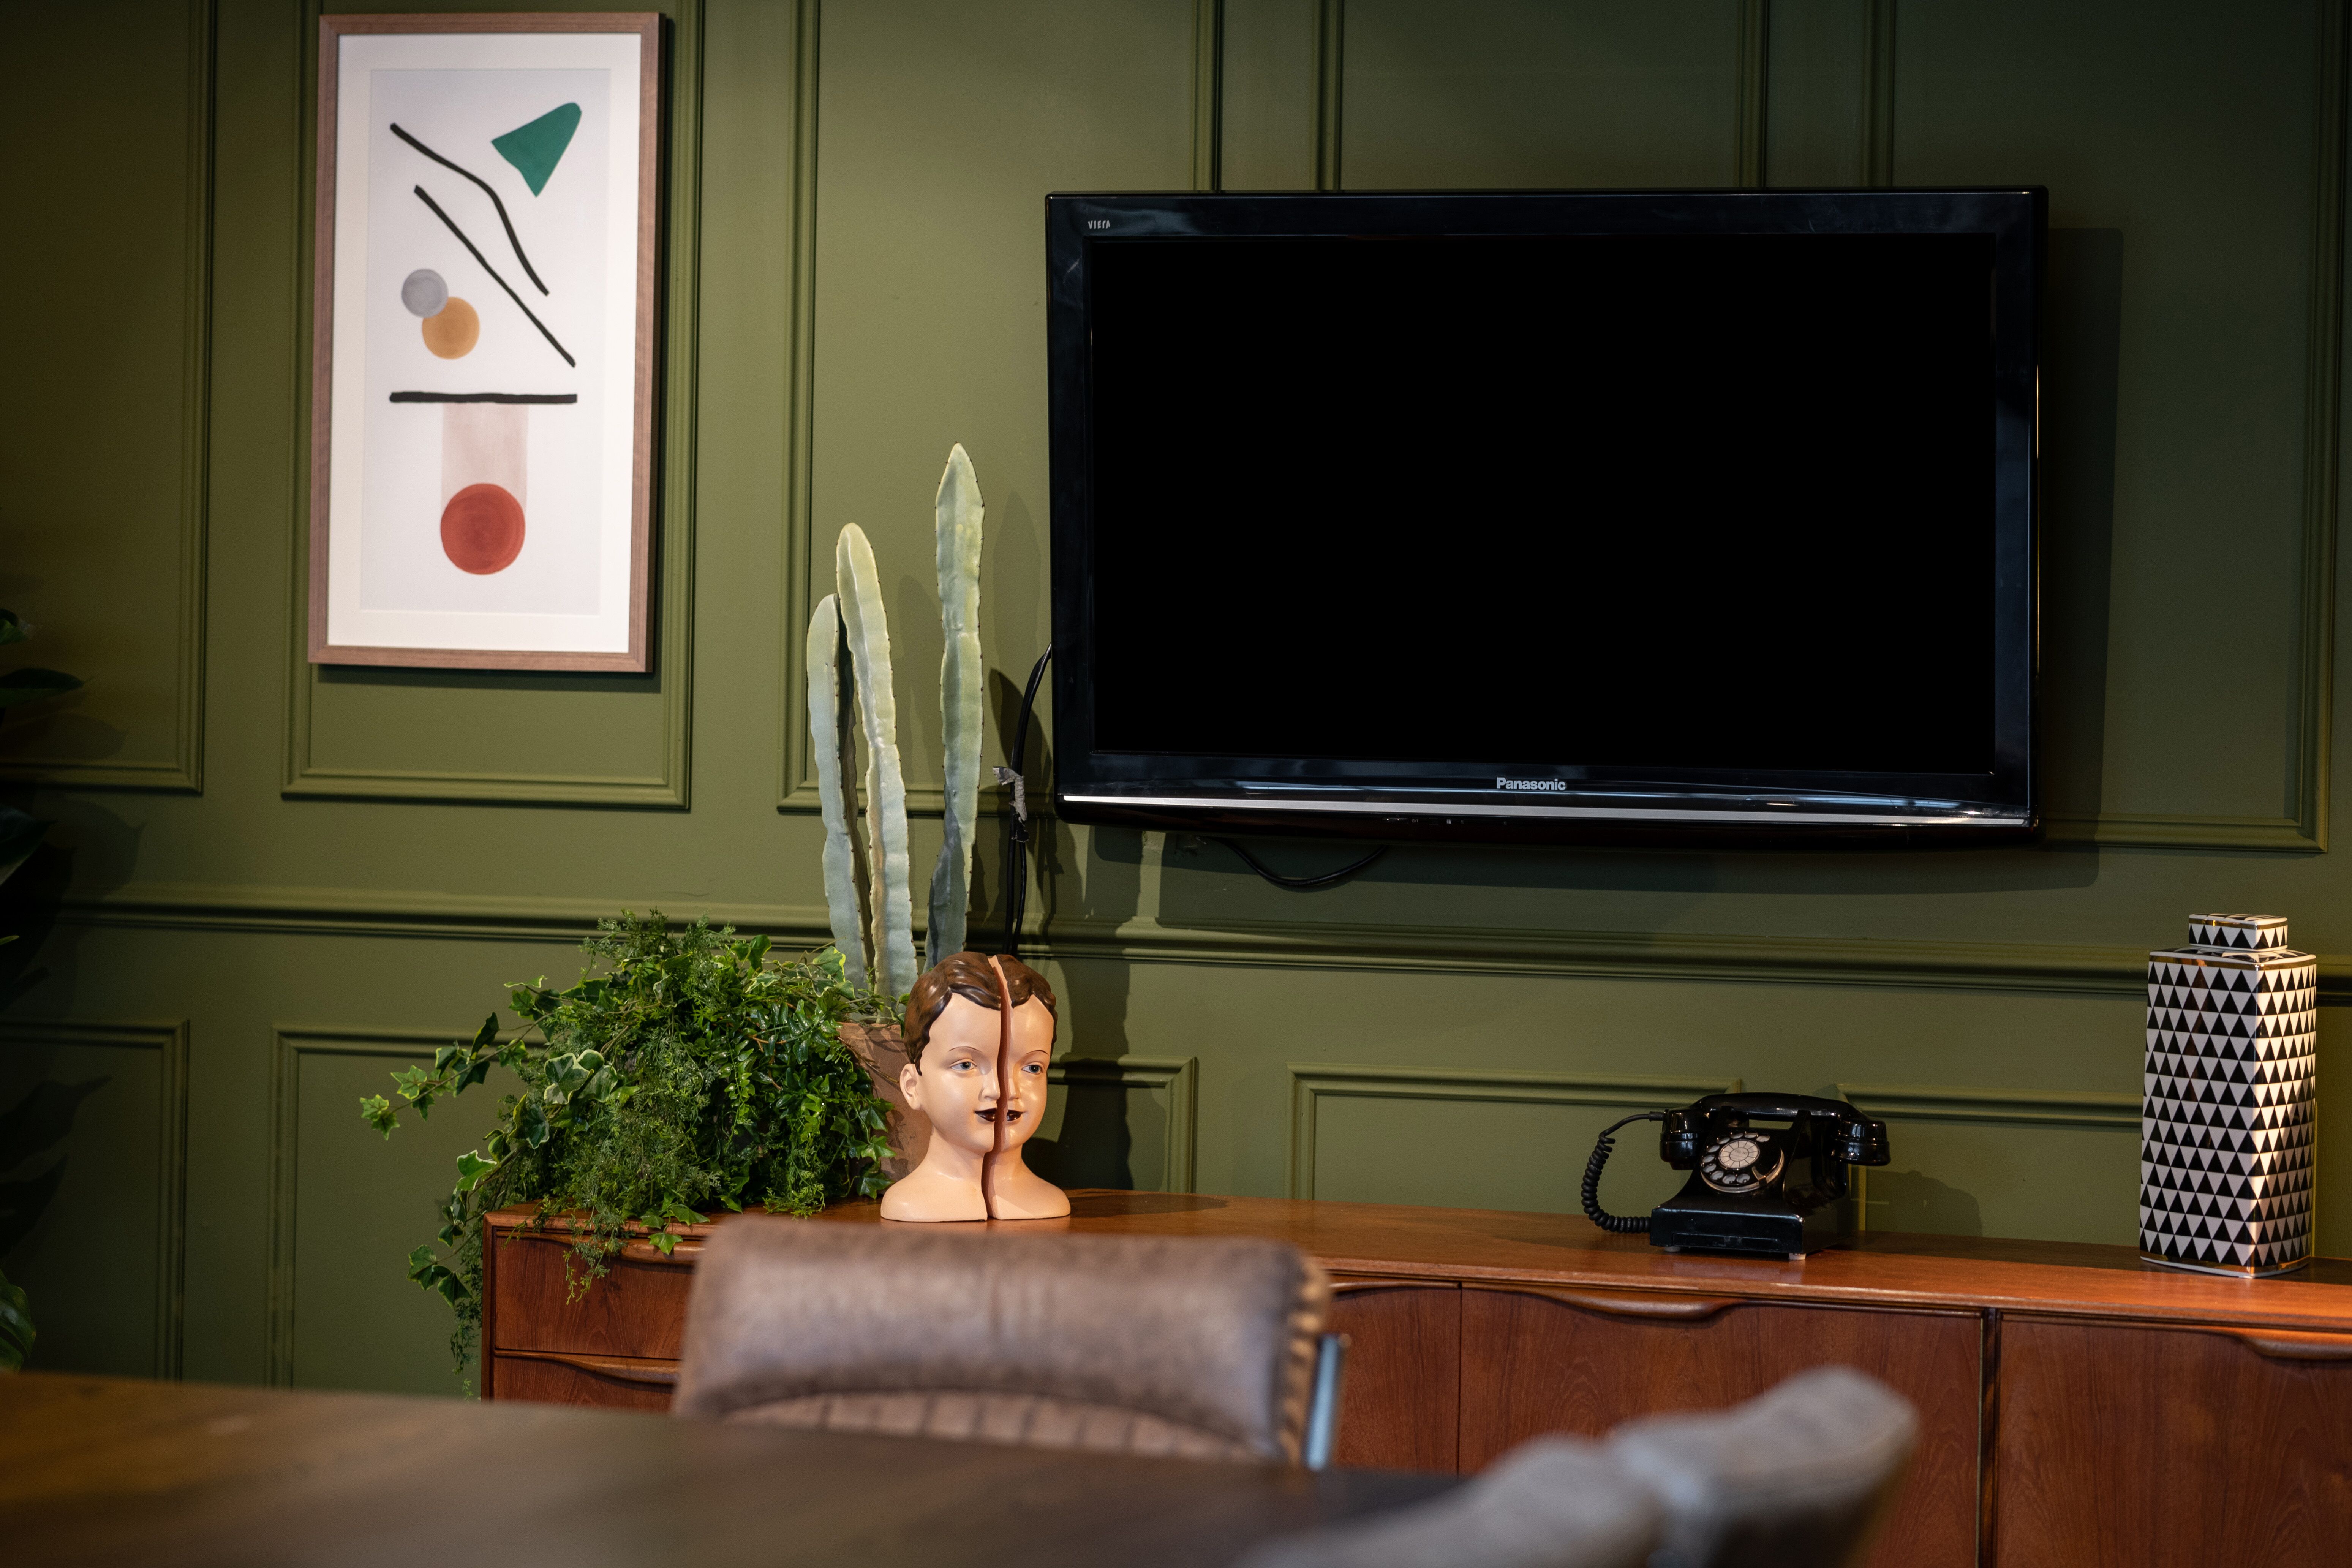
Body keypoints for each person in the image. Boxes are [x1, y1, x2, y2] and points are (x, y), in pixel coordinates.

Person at [878, 951, 1070, 1221]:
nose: (1003, 1090)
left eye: (1032, 1068)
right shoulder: (909, 1205)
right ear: (913, 1086)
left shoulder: (1049, 1204)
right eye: (966, 1065)